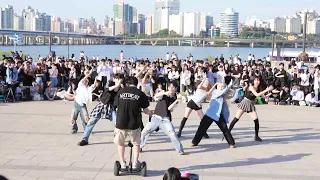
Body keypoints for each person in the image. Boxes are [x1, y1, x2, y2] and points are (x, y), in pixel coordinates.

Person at [113, 76, 153, 170]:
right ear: (136, 84)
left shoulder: (121, 92)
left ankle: (122, 163)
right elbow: (146, 110)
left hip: (121, 122)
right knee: (136, 143)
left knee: (121, 143)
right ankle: (135, 162)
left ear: (126, 84)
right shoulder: (140, 93)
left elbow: (115, 105)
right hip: (134, 123)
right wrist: (151, 113)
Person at [78, 74, 124, 146]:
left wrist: (121, 86)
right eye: (118, 79)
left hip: (110, 107)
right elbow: (109, 89)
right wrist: (117, 84)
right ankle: (85, 139)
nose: (119, 81)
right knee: (91, 122)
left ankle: (118, 139)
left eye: (120, 80)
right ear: (115, 79)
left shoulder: (121, 88)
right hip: (102, 105)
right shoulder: (110, 83)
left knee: (117, 123)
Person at [140, 82, 185, 155]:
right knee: (144, 132)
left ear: (176, 89)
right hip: (156, 117)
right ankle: (140, 146)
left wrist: (176, 101)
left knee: (173, 134)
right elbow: (155, 96)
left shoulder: (175, 98)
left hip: (165, 119)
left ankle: (180, 149)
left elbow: (170, 109)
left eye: (173, 87)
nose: (171, 88)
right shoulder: (163, 94)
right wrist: (163, 93)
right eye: (170, 87)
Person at [228, 76, 273, 142]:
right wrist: (266, 90)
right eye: (256, 80)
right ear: (253, 81)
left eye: (258, 80)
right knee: (236, 118)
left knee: (256, 120)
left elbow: (264, 96)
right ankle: (227, 133)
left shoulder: (259, 88)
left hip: (251, 104)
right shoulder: (251, 87)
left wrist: (270, 92)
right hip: (245, 102)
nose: (257, 81)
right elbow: (257, 95)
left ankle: (256, 136)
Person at [191, 82, 235, 148]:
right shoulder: (215, 92)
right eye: (219, 86)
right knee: (202, 128)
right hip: (210, 113)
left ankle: (231, 143)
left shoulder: (223, 95)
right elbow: (222, 92)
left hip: (218, 114)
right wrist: (228, 86)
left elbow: (232, 95)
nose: (221, 88)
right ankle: (194, 142)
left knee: (224, 128)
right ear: (217, 87)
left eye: (222, 87)